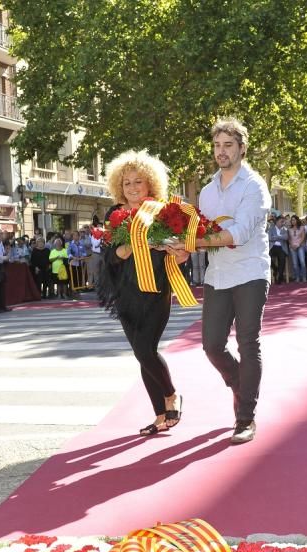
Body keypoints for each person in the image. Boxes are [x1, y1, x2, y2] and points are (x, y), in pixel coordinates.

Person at [187, 117, 270, 444]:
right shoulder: (207, 191)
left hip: (250, 271)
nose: (221, 151)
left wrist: (197, 243)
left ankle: (245, 417)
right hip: (217, 275)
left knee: (248, 342)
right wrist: (182, 246)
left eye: (228, 145)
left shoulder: (254, 186)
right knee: (211, 346)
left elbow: (240, 232)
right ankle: (240, 382)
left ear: (242, 148)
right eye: (217, 145)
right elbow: (203, 232)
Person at [98, 149, 186, 436]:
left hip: (156, 290)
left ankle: (171, 395)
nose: (133, 188)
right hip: (125, 293)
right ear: (118, 187)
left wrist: (175, 249)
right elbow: (112, 256)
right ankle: (160, 415)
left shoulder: (164, 212)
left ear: (151, 183)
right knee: (141, 353)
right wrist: (141, 243)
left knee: (146, 349)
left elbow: (182, 253)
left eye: (138, 182)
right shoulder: (115, 214)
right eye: (127, 183)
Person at [287, 215, 307, 283]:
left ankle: (304, 277)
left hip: (300, 246)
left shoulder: (302, 227)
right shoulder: (289, 229)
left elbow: (303, 237)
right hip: (292, 247)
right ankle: (297, 277)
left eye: (294, 220)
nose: (293, 221)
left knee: (302, 261)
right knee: (295, 263)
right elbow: (289, 238)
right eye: (292, 220)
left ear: (297, 220)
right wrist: (291, 245)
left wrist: (298, 245)